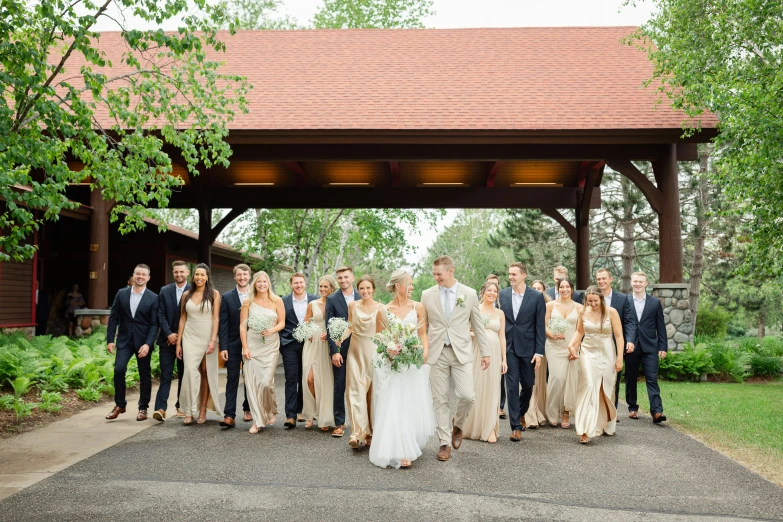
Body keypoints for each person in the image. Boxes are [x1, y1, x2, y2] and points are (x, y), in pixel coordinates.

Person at [422, 255, 489, 462]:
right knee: (439, 399)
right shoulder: (427, 294)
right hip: (437, 352)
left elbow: (477, 325)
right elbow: (422, 326)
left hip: (461, 351)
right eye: (434, 274)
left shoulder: (468, 294)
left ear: (451, 271)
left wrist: (485, 352)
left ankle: (458, 424)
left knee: (467, 395)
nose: (436, 278)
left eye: (439, 274)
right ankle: (444, 443)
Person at [370, 269, 435, 468]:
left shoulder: (418, 307)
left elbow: (423, 333)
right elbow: (379, 338)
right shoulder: (383, 310)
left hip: (413, 361)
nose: (412, 287)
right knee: (394, 401)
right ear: (398, 286)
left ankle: (410, 441)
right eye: (409, 283)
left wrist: (424, 353)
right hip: (393, 362)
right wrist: (389, 352)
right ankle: (400, 450)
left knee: (411, 401)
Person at [568, 286, 624, 443]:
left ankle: (605, 423)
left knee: (605, 388)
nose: (592, 304)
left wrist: (620, 358)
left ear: (601, 299)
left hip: (607, 351)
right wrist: (571, 345)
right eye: (589, 301)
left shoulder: (611, 312)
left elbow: (619, 337)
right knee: (589, 386)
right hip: (587, 352)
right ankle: (586, 429)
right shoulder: (582, 312)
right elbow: (579, 332)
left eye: (595, 301)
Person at [498, 262, 545, 442]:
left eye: (514, 274)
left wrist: (539, 352)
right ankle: (515, 426)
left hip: (528, 348)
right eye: (509, 274)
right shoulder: (502, 294)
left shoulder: (536, 297)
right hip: (508, 346)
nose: (510, 277)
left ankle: (521, 412)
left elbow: (540, 326)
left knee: (527, 385)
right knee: (511, 386)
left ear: (523, 275)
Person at [105, 264, 159, 421]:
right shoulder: (122, 294)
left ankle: (143, 408)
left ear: (148, 278)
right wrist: (110, 339)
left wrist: (148, 344)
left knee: (144, 375)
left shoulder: (153, 298)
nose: (140, 276)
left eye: (143, 274)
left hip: (143, 342)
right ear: (133, 276)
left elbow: (154, 324)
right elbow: (114, 317)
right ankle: (120, 404)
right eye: (138, 274)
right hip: (125, 340)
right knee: (119, 370)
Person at [338, 275, 383, 449]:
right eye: (362, 288)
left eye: (368, 288)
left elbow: (380, 333)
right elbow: (350, 326)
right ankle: (357, 433)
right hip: (355, 353)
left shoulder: (380, 308)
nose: (365, 291)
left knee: (371, 394)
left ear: (373, 289)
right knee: (354, 392)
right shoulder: (352, 306)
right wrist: (340, 338)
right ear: (358, 290)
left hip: (372, 352)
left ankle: (371, 431)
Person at [176, 264, 223, 425]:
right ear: (193, 276)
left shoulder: (214, 294)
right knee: (189, 371)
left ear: (207, 277)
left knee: (205, 372)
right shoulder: (186, 295)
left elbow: (216, 318)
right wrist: (179, 344)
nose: (199, 277)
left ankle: (202, 409)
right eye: (197, 274)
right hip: (189, 336)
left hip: (207, 335)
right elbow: (182, 319)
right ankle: (189, 410)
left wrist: (213, 339)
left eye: (202, 275)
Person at [241, 271, 285, 434]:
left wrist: (271, 329)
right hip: (252, 344)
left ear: (268, 284)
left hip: (270, 345)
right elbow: (242, 325)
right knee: (252, 383)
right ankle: (257, 420)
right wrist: (245, 347)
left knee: (266, 382)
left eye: (264, 282)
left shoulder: (277, 301)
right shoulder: (248, 302)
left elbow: (282, 323)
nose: (262, 284)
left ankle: (270, 410)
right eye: (259, 282)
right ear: (255, 284)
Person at [462, 281, 507, 443]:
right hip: (477, 352)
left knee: (492, 389)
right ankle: (469, 425)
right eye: (489, 290)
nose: (492, 293)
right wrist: (478, 336)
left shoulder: (500, 313)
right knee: (476, 387)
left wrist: (504, 359)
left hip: (494, 354)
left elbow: (502, 336)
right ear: (483, 293)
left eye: (495, 291)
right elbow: (464, 330)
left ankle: (489, 428)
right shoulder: (474, 309)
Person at [626, 271, 668, 424]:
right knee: (631, 378)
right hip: (631, 346)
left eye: (640, 282)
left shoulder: (654, 302)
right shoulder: (626, 300)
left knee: (652, 379)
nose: (637, 284)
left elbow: (660, 326)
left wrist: (663, 346)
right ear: (631, 282)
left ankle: (657, 411)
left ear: (646, 283)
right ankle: (632, 408)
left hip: (650, 346)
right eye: (635, 281)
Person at [325, 266, 361, 438]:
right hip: (342, 350)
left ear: (352, 277)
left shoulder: (362, 296)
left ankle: (362, 424)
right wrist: (334, 351)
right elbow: (330, 326)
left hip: (361, 349)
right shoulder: (332, 299)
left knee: (360, 386)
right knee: (339, 386)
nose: (343, 280)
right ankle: (339, 423)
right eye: (340, 278)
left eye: (346, 277)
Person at [152, 261, 190, 422]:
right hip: (166, 341)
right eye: (176, 272)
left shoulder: (193, 290)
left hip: (187, 341)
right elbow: (160, 314)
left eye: (181, 272)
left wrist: (179, 337)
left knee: (184, 374)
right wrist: (169, 333)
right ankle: (160, 409)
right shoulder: (164, 290)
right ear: (173, 273)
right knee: (166, 375)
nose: (179, 275)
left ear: (187, 272)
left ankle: (180, 406)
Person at [595, 268, 637, 410]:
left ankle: (612, 410)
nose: (601, 281)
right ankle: (597, 408)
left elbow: (629, 321)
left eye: (604, 278)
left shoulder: (622, 299)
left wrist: (629, 340)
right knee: (595, 377)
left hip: (614, 343)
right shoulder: (592, 297)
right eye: (599, 279)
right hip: (595, 343)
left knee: (613, 378)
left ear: (610, 279)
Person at [279, 272, 317, 428]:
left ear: (305, 283)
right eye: (295, 283)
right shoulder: (283, 301)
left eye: (301, 282)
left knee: (305, 378)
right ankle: (290, 415)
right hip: (289, 344)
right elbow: (279, 320)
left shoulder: (314, 300)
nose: (299, 285)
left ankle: (302, 410)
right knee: (291, 378)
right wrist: (282, 341)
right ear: (291, 284)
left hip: (309, 344)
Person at [218, 264, 253, 428]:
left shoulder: (256, 295)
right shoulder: (226, 296)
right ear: (235, 277)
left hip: (252, 343)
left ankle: (248, 409)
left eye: (245, 275)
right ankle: (229, 415)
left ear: (249, 276)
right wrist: (223, 347)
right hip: (232, 344)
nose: (242, 277)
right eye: (239, 275)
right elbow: (223, 323)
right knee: (231, 378)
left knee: (250, 377)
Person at [301, 275, 338, 431]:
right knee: (309, 379)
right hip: (312, 343)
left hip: (327, 345)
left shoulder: (335, 303)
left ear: (332, 288)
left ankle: (324, 416)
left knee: (325, 381)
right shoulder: (312, 304)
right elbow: (305, 323)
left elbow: (340, 323)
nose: (322, 289)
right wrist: (308, 332)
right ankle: (311, 413)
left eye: (325, 287)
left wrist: (330, 335)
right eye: (320, 286)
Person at [544, 278, 581, 429]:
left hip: (572, 348)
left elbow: (580, 330)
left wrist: (575, 348)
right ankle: (552, 412)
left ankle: (566, 413)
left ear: (572, 289)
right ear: (557, 289)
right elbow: (543, 324)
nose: (564, 289)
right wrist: (550, 335)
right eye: (561, 287)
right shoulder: (550, 306)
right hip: (554, 347)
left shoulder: (579, 307)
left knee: (570, 381)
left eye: (567, 287)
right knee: (557, 379)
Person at [524, 280, 550, 429]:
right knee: (529, 380)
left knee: (540, 381)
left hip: (543, 347)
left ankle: (540, 411)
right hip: (528, 345)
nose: (536, 290)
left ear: (544, 290)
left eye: (538, 288)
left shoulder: (548, 305)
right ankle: (530, 415)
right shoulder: (526, 303)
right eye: (533, 288)